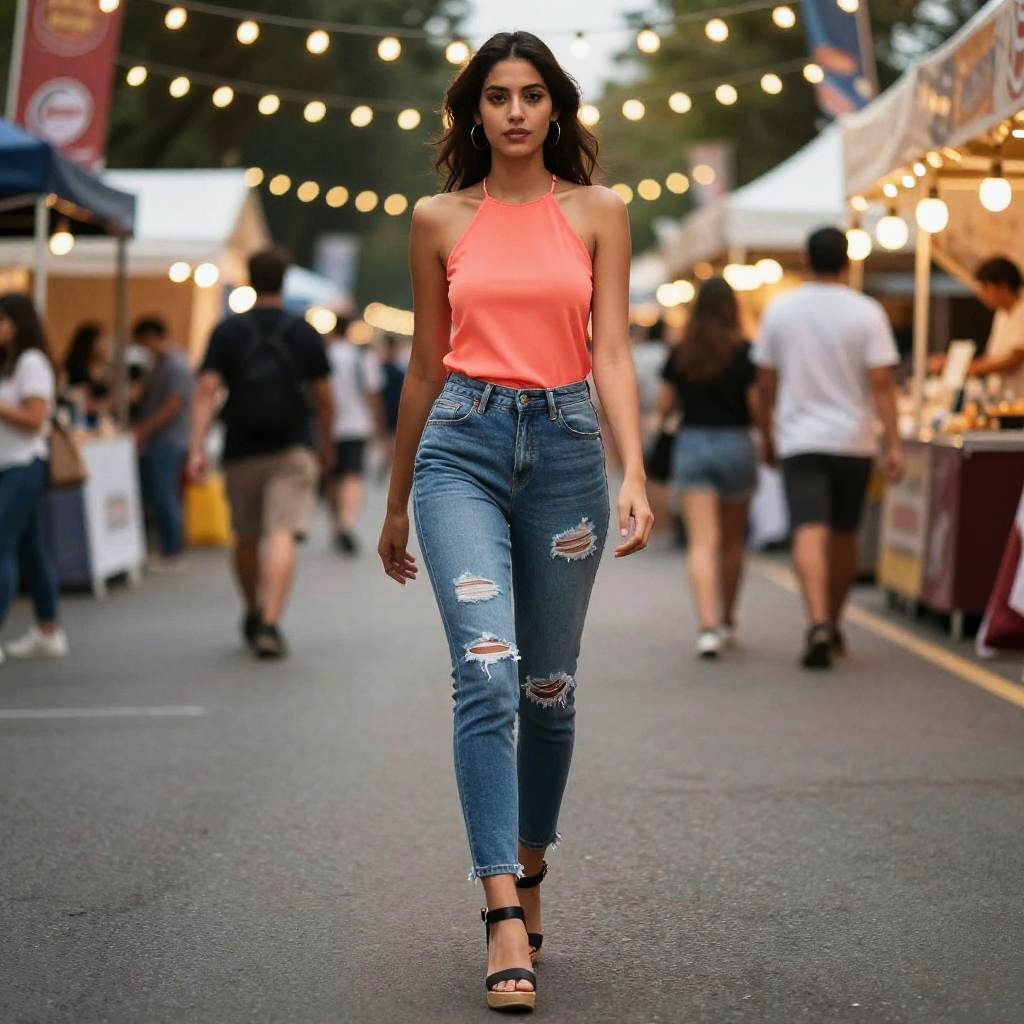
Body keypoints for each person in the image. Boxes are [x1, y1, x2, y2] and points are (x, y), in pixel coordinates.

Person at [377, 31, 653, 1014]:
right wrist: (396, 499)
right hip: (461, 446)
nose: (516, 112)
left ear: (556, 108)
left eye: (532, 95)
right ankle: (499, 906)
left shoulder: (599, 212)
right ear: (474, 113)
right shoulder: (438, 219)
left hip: (568, 451)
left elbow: (611, 350)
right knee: (487, 671)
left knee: (548, 688)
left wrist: (633, 468)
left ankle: (531, 867)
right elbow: (425, 364)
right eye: (497, 96)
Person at [754, 226, 903, 669]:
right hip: (853, 440)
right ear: (847, 261)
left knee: (807, 529)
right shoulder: (867, 312)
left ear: (806, 260)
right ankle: (834, 621)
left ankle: (817, 620)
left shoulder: (780, 310)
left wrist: (767, 435)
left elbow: (765, 384)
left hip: (799, 438)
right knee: (844, 532)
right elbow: (882, 384)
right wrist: (894, 443)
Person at [189, 250, 334, 659]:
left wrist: (196, 447)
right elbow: (324, 397)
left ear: (249, 280)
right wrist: (325, 443)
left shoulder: (227, 331)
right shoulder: (303, 332)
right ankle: (271, 621)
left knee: (246, 535)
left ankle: (253, 610)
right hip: (293, 445)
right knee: (282, 533)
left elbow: (206, 389)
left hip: (241, 447)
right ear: (285, 280)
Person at [659, 277, 759, 658]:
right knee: (733, 541)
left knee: (702, 542)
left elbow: (666, 404)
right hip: (736, 442)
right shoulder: (746, 351)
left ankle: (707, 627)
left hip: (694, 442)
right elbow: (755, 404)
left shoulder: (683, 351)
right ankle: (728, 618)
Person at [0, 294, 67, 663]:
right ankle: (48, 628)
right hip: (10, 465)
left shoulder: (31, 363)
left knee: (3, 547)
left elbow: (34, 418)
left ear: (17, 323)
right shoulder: (11, 363)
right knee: (29, 549)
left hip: (23, 464)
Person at [132, 316, 194, 570]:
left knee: (164, 493)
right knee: (160, 493)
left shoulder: (175, 365)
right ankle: (168, 546)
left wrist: (145, 429)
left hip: (169, 439)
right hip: (159, 439)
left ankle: (173, 548)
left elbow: (173, 404)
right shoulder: (158, 365)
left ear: (152, 338)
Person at [326, 319, 385, 555]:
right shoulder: (361, 356)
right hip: (356, 424)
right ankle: (346, 522)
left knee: (332, 475)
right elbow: (372, 393)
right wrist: (379, 425)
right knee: (352, 475)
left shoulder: (326, 354)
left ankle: (335, 524)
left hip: (327, 425)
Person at [969, 256, 1024, 391]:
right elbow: (993, 356)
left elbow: (1016, 357)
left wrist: (972, 368)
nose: (982, 294)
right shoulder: (1001, 314)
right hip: (1000, 393)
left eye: (986, 288)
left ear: (1003, 286)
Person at [62, 322, 111, 426]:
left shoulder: (102, 368)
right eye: (102, 341)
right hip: (83, 422)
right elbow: (81, 402)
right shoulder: (77, 369)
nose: (105, 346)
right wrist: (108, 404)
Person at [377, 334, 406, 481]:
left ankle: (389, 465)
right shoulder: (384, 370)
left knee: (391, 440)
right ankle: (389, 465)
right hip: (390, 408)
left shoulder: (393, 370)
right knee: (390, 440)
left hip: (394, 408)